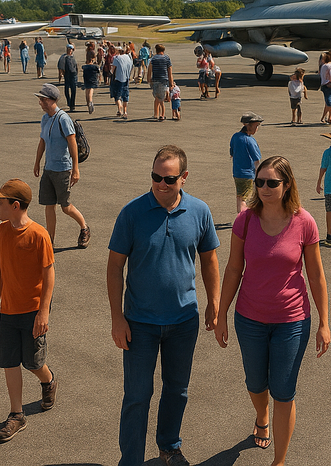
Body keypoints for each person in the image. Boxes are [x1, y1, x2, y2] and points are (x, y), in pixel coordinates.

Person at [107, 145, 221, 466]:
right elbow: (115, 266)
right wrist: (118, 318)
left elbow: (209, 260)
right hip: (139, 324)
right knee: (137, 397)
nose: (160, 184)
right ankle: (130, 460)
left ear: (184, 177)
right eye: (155, 176)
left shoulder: (200, 212)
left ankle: (169, 446)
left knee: (177, 390)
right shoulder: (132, 213)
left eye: (168, 179)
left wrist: (214, 301)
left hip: (184, 322)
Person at [214, 156, 330, 462]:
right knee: (255, 383)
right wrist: (221, 312)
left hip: (292, 321)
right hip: (249, 318)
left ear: (287, 184)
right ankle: (261, 415)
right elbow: (233, 269)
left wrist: (324, 322)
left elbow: (316, 275)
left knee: (284, 390)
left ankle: (279, 460)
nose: (264, 188)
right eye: (260, 181)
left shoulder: (304, 221)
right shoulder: (245, 220)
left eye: (272, 182)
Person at [0, 179, 56, 442]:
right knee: (10, 362)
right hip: (9, 311)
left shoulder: (39, 234)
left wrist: (44, 312)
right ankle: (17, 414)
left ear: (15, 206)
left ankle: (48, 381)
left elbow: (49, 274)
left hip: (33, 310)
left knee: (33, 362)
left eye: (0, 203)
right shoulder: (1, 232)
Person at [32, 83, 90, 249]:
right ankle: (50, 240)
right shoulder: (45, 119)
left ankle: (84, 228)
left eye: (42, 99)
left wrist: (76, 169)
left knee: (65, 206)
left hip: (63, 169)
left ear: (51, 100)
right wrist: (37, 162)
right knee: (49, 205)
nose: (40, 102)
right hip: (48, 168)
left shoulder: (63, 119)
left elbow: (72, 144)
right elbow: (42, 141)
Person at [231, 112, 263, 213]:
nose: (257, 129)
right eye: (256, 126)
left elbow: (231, 153)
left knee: (240, 196)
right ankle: (242, 218)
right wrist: (259, 174)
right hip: (248, 174)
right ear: (248, 125)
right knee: (245, 198)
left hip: (237, 172)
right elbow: (256, 160)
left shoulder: (235, 137)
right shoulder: (250, 140)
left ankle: (239, 216)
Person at [148, 44, 174, 122]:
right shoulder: (166, 58)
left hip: (155, 80)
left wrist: (149, 79)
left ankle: (156, 113)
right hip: (163, 80)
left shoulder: (153, 58)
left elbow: (149, 69)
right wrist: (171, 83)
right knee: (161, 98)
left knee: (157, 97)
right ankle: (162, 114)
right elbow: (170, 71)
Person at [111, 44, 133, 119]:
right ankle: (125, 111)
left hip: (118, 78)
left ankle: (119, 109)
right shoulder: (128, 57)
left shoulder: (116, 58)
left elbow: (112, 70)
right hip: (126, 78)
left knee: (117, 95)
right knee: (125, 95)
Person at [58, 44, 78, 112]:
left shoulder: (73, 57)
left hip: (73, 74)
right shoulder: (64, 57)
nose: (69, 50)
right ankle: (69, 102)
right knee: (66, 89)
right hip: (67, 74)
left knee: (73, 90)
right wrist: (61, 74)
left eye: (71, 49)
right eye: (68, 49)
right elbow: (61, 66)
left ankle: (72, 105)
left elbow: (75, 65)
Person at [319, 51, 331, 125]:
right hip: (325, 85)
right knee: (327, 102)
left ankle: (330, 118)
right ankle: (323, 117)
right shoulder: (325, 65)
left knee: (329, 103)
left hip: (327, 85)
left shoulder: (329, 65)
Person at [81, 51, 99, 115]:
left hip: (86, 80)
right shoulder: (95, 67)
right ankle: (90, 102)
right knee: (91, 91)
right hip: (93, 80)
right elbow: (98, 72)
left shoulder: (84, 67)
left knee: (87, 91)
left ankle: (88, 104)